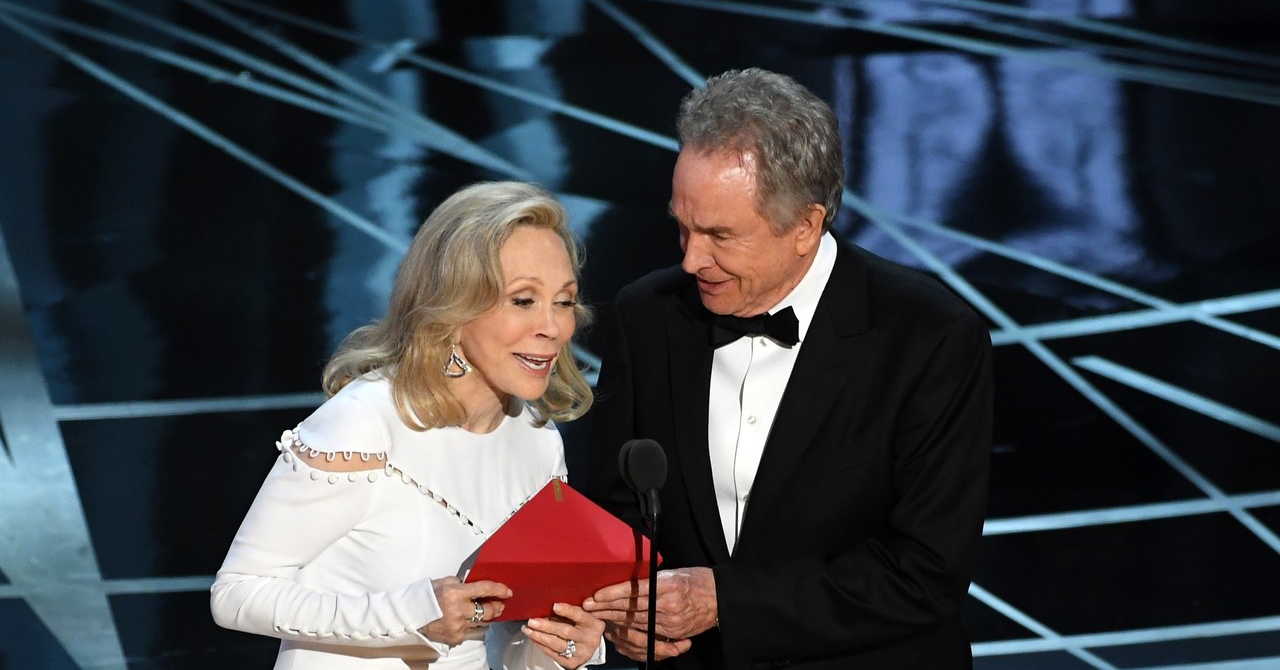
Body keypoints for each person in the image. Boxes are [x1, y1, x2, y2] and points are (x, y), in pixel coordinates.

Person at [582, 68, 994, 668]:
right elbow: (614, 509)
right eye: (683, 226)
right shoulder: (646, 316)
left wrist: (726, 601)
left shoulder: (930, 338)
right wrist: (624, 616)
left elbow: (924, 571)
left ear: (805, 226)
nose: (693, 258)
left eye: (721, 235)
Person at [211, 181, 607, 669]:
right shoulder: (364, 424)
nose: (552, 326)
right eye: (523, 300)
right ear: (454, 305)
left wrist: (561, 651)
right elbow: (236, 594)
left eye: (563, 301)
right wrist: (410, 615)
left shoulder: (537, 442)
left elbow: (508, 645)